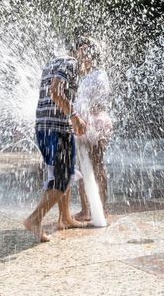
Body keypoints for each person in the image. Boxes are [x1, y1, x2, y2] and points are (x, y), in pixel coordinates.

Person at [24, 36, 95, 243]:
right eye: (91, 55)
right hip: (57, 127)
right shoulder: (71, 63)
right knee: (62, 177)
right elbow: (56, 91)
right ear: (82, 50)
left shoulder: (54, 61)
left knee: (63, 172)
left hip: (44, 126)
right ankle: (34, 219)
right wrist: (74, 117)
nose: (91, 61)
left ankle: (65, 217)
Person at [73, 66, 113, 222]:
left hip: (95, 122)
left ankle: (100, 207)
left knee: (97, 164)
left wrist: (86, 117)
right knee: (84, 165)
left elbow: (99, 102)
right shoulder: (85, 77)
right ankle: (87, 209)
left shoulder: (99, 75)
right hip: (86, 122)